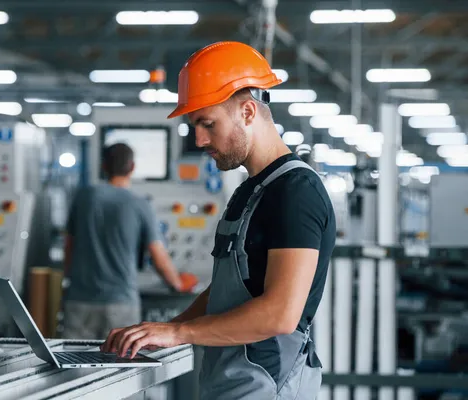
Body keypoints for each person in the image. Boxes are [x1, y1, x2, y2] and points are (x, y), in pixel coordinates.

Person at [101, 41, 337, 400]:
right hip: (231, 383)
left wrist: (180, 335)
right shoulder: (250, 190)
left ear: (246, 112)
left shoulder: (296, 192)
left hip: (268, 387)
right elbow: (227, 290)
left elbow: (280, 314)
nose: (198, 139)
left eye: (207, 123)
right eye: (194, 125)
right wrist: (164, 329)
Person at [62, 142, 187, 340]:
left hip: (79, 300)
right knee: (120, 364)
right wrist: (178, 284)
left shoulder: (84, 197)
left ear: (103, 166)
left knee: (73, 362)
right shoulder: (140, 205)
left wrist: (71, 280)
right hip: (120, 303)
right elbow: (158, 256)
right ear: (132, 168)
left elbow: (68, 245)